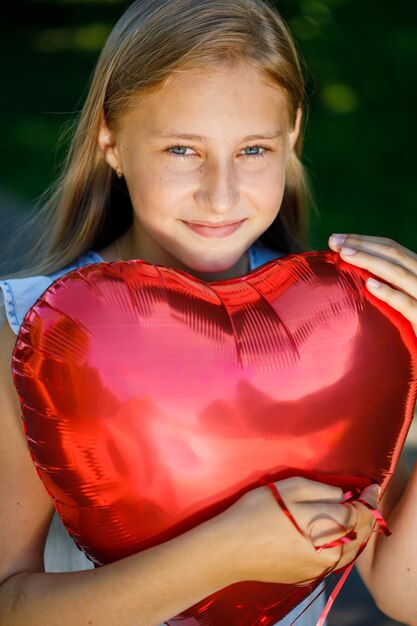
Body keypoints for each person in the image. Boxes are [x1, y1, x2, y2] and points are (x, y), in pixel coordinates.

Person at [0, 1, 416, 624]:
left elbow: (402, 592)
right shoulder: (36, 328)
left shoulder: (334, 325)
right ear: (109, 140)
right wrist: (223, 553)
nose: (220, 194)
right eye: (181, 150)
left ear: (293, 135)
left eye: (252, 150)